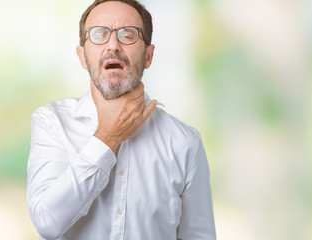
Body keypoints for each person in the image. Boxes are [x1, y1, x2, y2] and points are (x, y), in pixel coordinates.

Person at [26, 0, 216, 239]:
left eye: (128, 35)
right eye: (99, 34)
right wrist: (107, 138)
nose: (113, 46)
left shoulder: (184, 142)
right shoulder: (52, 122)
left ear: (148, 56)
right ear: (82, 57)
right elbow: (47, 222)